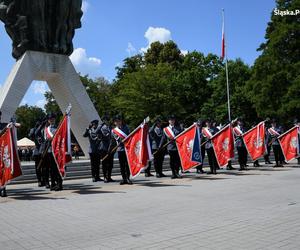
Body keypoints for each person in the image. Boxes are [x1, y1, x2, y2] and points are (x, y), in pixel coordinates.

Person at [36, 113, 63, 191]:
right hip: (48, 151)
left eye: (53, 119)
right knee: (51, 169)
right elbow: (36, 133)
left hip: (57, 151)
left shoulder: (59, 127)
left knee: (57, 168)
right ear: (48, 120)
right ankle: (53, 183)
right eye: (50, 119)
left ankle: (59, 184)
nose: (52, 120)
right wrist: (42, 124)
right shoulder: (45, 129)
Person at [111, 115, 132, 185]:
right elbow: (115, 139)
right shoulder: (114, 131)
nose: (118, 122)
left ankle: (128, 178)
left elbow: (130, 136)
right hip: (120, 149)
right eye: (116, 121)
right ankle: (124, 179)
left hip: (127, 148)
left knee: (127, 165)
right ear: (114, 123)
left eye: (119, 121)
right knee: (122, 165)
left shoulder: (126, 128)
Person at [98, 115, 114, 183]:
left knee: (110, 163)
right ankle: (105, 177)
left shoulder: (111, 127)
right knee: (104, 163)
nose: (107, 121)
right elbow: (105, 136)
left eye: (107, 120)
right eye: (106, 120)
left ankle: (109, 176)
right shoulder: (102, 128)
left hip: (111, 148)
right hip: (104, 148)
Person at [28, 121, 43, 186]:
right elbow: (30, 135)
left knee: (45, 168)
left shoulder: (44, 130)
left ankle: (44, 180)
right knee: (38, 167)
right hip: (37, 151)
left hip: (44, 151)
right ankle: (39, 180)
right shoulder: (34, 130)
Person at [0, 110, 8, 197]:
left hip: (2, 151)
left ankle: (3, 188)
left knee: (3, 170)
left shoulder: (4, 125)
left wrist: (13, 125)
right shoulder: (4, 127)